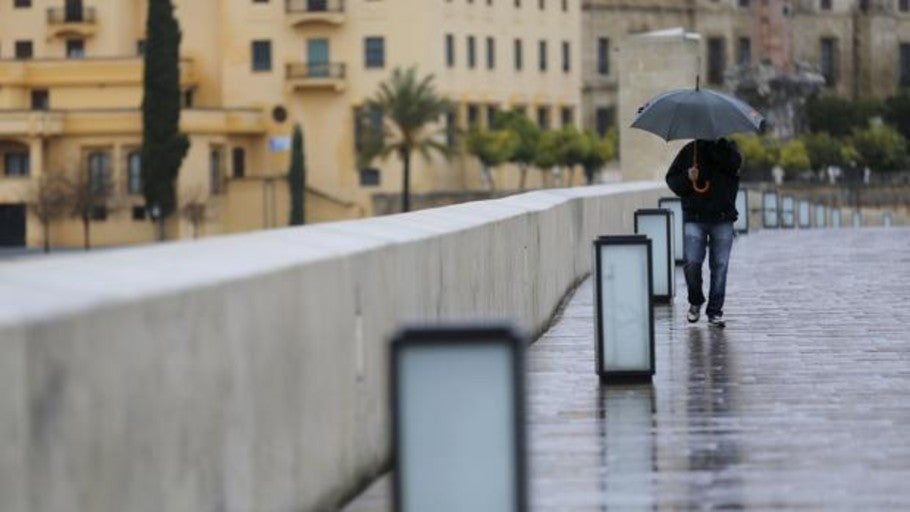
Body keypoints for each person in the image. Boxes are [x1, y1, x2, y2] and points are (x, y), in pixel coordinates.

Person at [665, 138, 742, 328]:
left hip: (722, 218)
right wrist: (687, 178)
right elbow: (671, 179)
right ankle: (696, 300)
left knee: (720, 266)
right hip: (695, 218)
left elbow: (734, 166)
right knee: (691, 263)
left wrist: (714, 150)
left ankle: (715, 311)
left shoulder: (729, 150)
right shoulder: (690, 151)